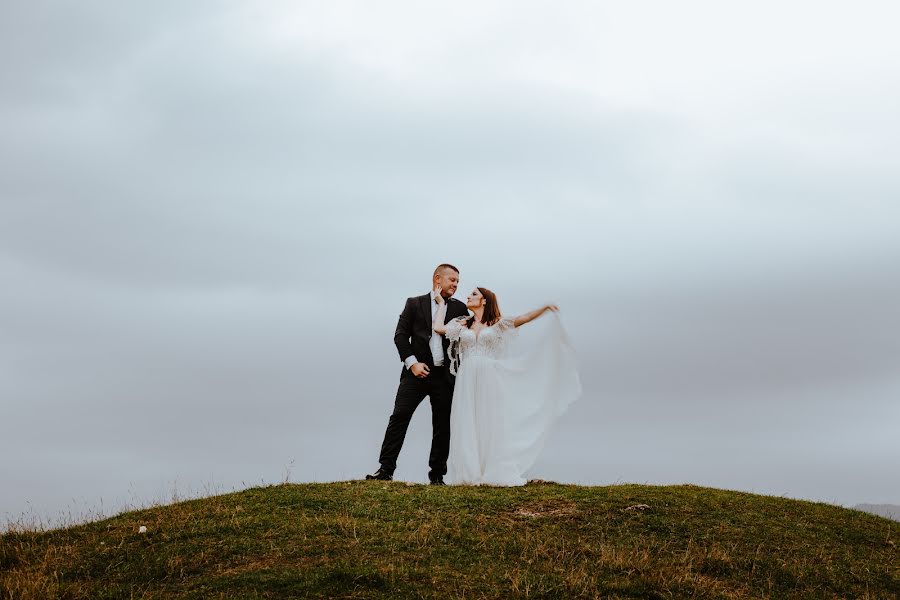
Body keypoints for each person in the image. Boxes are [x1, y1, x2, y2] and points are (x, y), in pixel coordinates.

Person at [433, 287, 581, 486]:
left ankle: (492, 470)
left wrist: (544, 308)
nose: (469, 296)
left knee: (489, 419)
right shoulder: (462, 324)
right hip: (466, 377)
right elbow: (438, 328)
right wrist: (441, 304)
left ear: (485, 300)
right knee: (467, 419)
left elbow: (525, 317)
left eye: (474, 294)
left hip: (489, 376)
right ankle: (469, 473)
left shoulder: (499, 324)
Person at [365, 264, 471, 485]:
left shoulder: (460, 308)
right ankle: (385, 470)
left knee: (442, 425)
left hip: (445, 376)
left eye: (458, 282)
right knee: (399, 417)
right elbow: (400, 336)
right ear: (437, 279)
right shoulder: (414, 303)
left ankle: (437, 476)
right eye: (452, 280)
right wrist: (412, 363)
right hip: (415, 374)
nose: (455, 284)